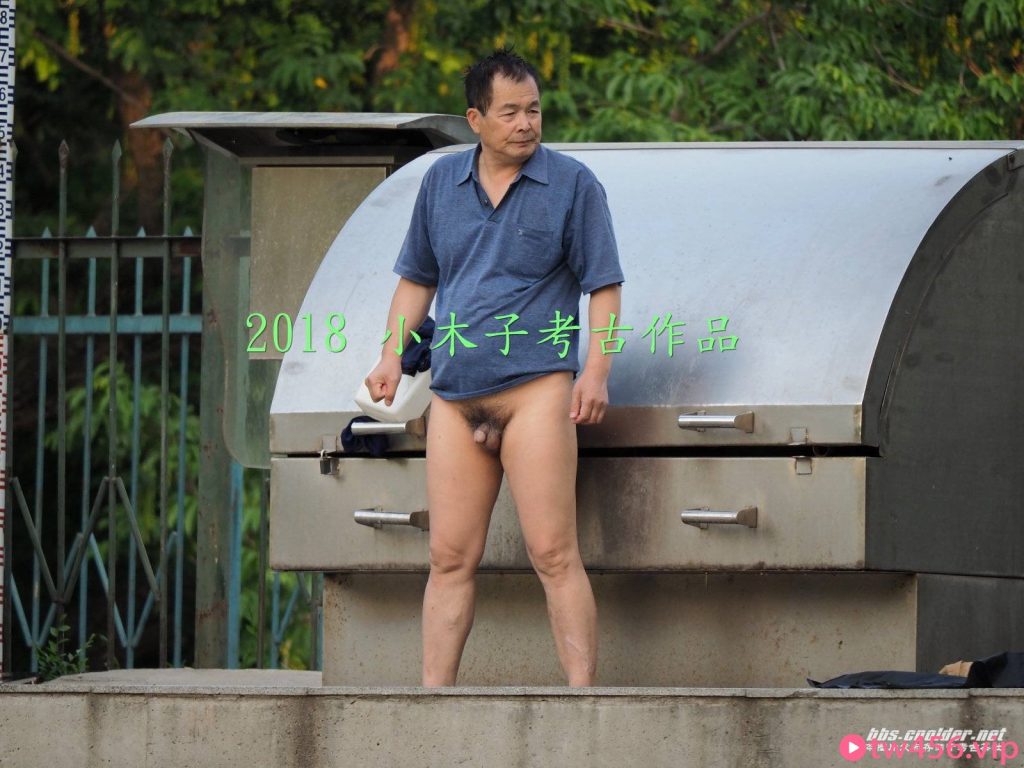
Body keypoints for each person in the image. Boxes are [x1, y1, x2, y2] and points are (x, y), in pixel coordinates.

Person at [364, 48, 624, 687]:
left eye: (533, 109)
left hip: (535, 391)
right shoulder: (440, 183)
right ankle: (432, 701)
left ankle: (584, 700)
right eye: (509, 112)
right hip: (455, 394)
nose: (525, 123)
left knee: (553, 553)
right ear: (475, 119)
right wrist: (391, 354)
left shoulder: (574, 185)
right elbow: (416, 280)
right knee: (448, 557)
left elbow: (604, 286)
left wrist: (596, 371)